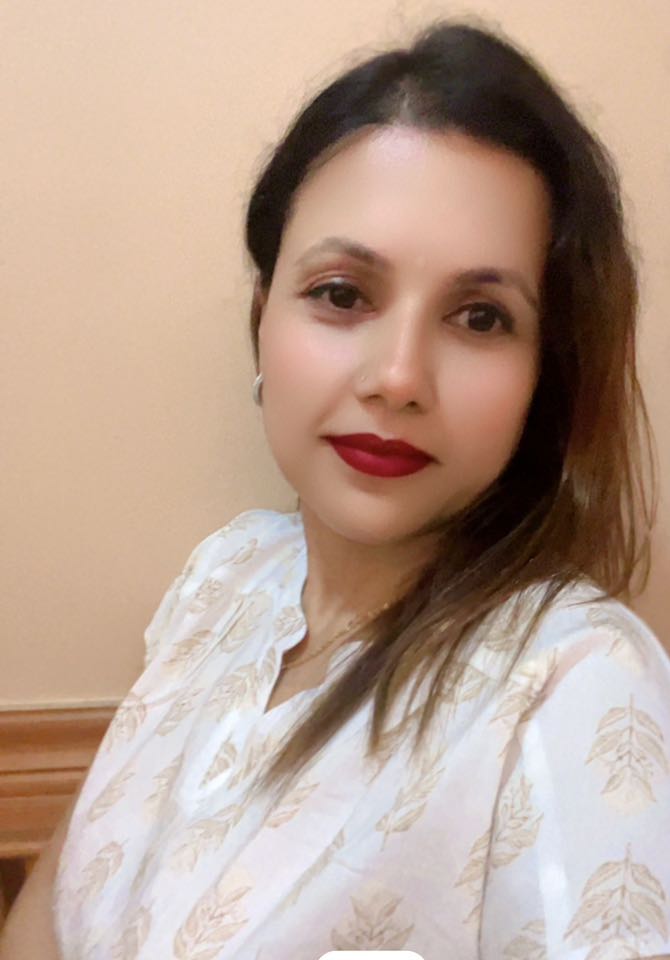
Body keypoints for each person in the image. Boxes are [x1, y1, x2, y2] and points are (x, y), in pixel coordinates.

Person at [2, 17, 669, 960]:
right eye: (343, 294)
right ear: (261, 321)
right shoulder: (226, 577)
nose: (398, 378)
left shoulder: (576, 684)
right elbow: (55, 907)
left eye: (481, 317)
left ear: (543, 379)